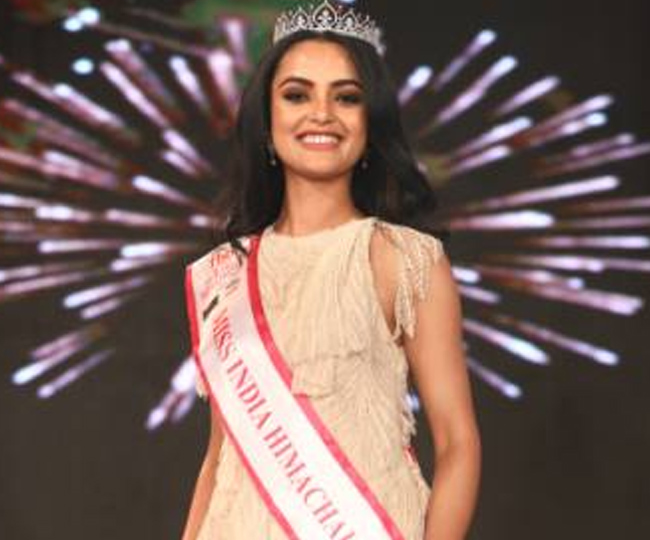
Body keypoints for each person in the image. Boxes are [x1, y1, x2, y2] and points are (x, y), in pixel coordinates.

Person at [181, 1, 481, 539]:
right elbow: (219, 456)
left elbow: (458, 441)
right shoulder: (222, 274)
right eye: (297, 95)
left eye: (346, 97)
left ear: (370, 122)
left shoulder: (405, 258)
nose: (321, 113)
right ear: (266, 122)